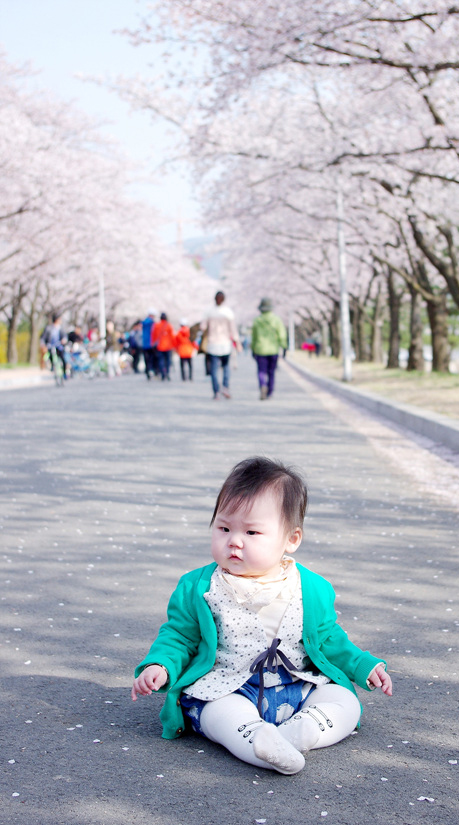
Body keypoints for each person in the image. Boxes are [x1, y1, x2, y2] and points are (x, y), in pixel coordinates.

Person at [132, 456, 392, 776]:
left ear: (291, 540)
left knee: (344, 702)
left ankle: (304, 729)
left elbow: (329, 638)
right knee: (220, 715)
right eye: (224, 527)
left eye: (252, 533)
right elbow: (180, 636)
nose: (234, 541)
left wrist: (362, 664)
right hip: (228, 687)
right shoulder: (200, 588)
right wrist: (161, 665)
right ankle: (256, 742)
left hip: (297, 685)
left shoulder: (309, 588)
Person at [200, 291, 242, 400]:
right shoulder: (228, 312)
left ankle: (216, 391)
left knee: (214, 369)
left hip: (213, 344)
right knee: (226, 367)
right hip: (225, 344)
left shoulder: (209, 312)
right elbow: (233, 330)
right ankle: (225, 387)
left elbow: (202, 327)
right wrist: (237, 343)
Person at [251, 297, 288, 400]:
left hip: (260, 349)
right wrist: (284, 347)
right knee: (271, 372)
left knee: (261, 371)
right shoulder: (276, 319)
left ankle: (263, 385)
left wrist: (253, 349)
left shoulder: (257, 320)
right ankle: (270, 391)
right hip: (273, 350)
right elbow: (282, 335)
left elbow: (254, 337)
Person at [40, 314, 68, 378]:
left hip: (59, 346)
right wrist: (43, 344)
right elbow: (43, 338)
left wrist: (64, 340)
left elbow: (65, 336)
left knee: (63, 358)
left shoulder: (61, 328)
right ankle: (52, 367)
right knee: (50, 356)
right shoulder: (49, 328)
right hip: (50, 346)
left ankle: (64, 372)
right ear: (56, 320)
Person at [152, 312, 175, 381]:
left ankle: (162, 373)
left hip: (160, 346)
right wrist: (173, 345)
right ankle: (167, 372)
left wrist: (153, 343)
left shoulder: (157, 325)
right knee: (167, 361)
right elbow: (172, 336)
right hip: (168, 346)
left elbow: (154, 335)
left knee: (160, 360)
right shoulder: (169, 325)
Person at [141, 309, 157, 380]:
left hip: (144, 343)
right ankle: (152, 370)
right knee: (152, 358)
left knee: (146, 359)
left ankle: (147, 371)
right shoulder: (152, 323)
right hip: (151, 343)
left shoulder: (144, 322)